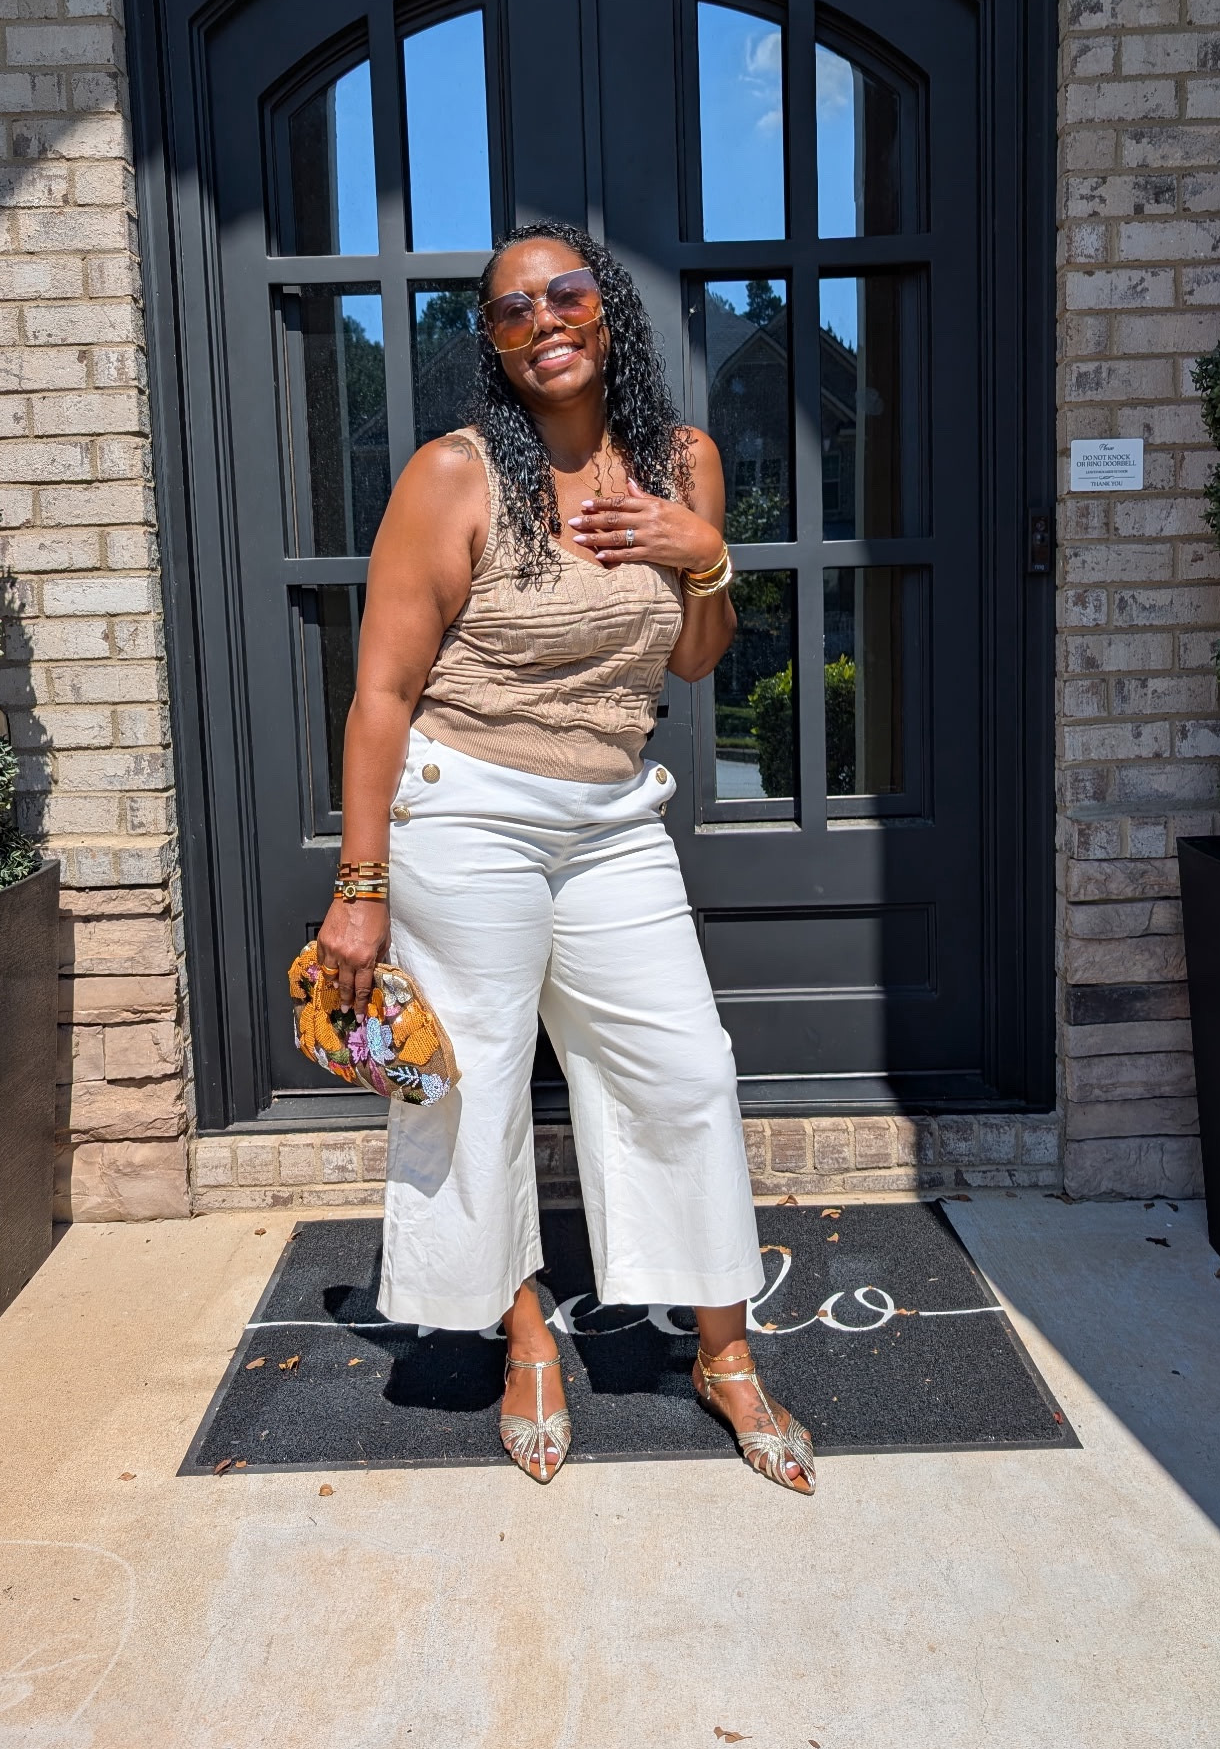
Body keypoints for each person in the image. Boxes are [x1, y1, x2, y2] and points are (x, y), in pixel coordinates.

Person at [315, 220, 813, 1494]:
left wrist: (707, 555)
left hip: (608, 816)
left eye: (565, 294)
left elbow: (695, 657)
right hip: (465, 807)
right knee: (474, 1083)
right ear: (490, 342)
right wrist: (358, 888)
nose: (541, 320)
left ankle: (723, 1350)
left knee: (686, 1067)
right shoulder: (455, 476)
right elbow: (381, 693)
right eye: (508, 311)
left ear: (608, 310)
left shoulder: (682, 458)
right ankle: (524, 1328)